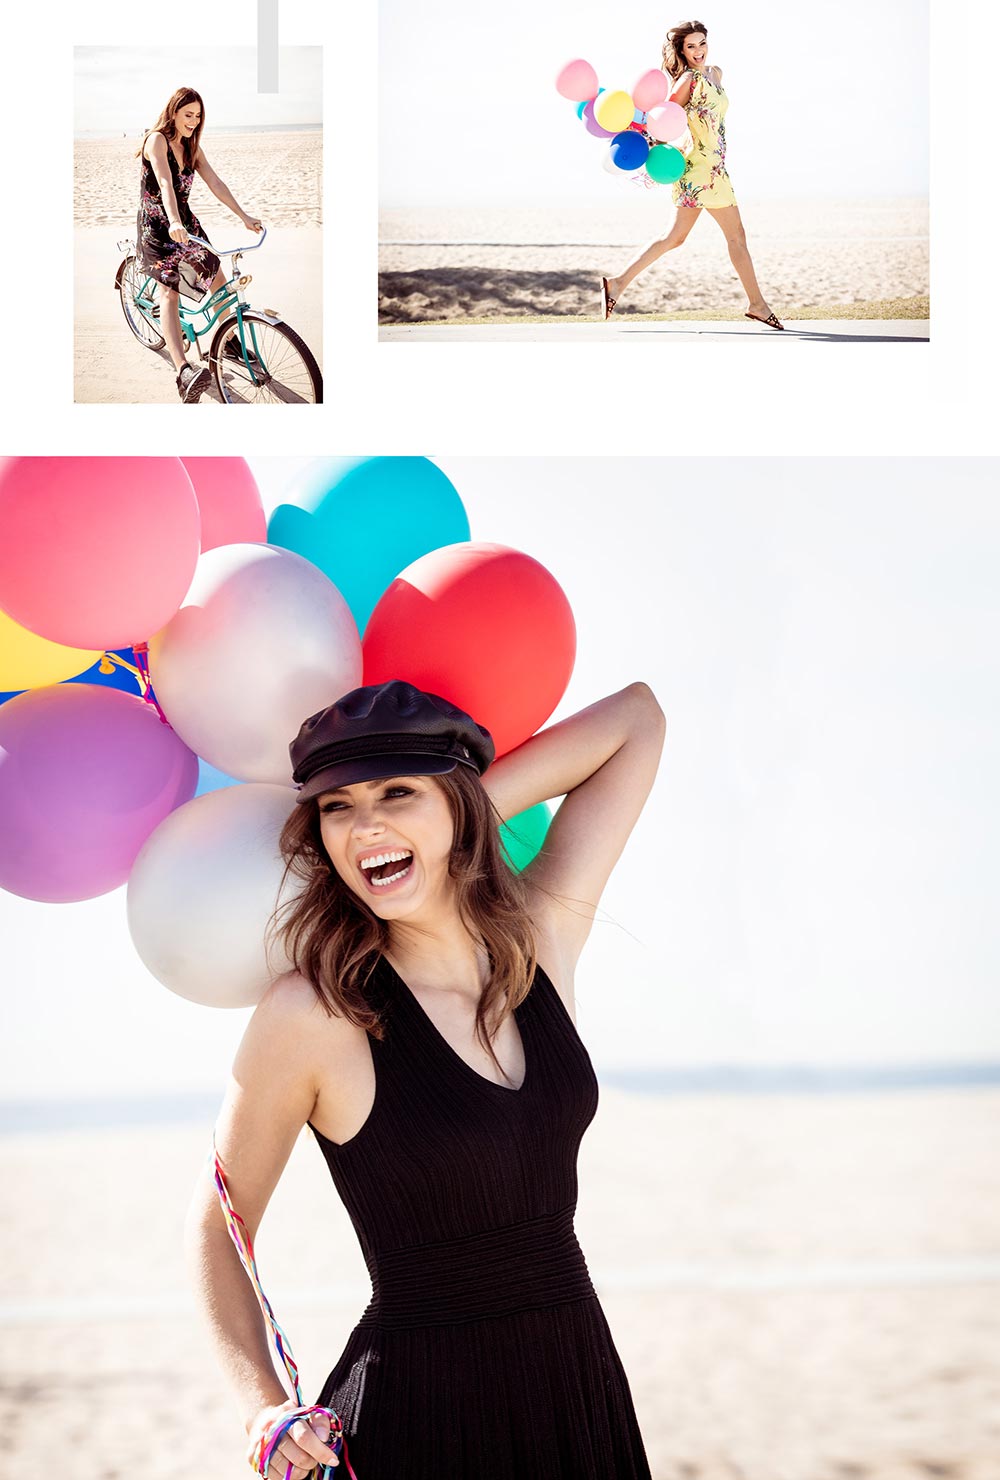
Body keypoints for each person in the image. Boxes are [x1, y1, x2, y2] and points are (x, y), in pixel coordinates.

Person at [185, 677, 666, 1478]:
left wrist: (457, 814)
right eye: (337, 807)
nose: (364, 823)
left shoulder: (538, 938)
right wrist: (262, 1406)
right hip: (417, 1416)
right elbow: (216, 1229)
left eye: (397, 792)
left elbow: (637, 720)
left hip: (575, 1382)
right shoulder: (314, 1014)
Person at [600, 20, 784, 329]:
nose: (698, 51)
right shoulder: (687, 80)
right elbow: (664, 120)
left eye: (702, 43)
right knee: (736, 237)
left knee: (674, 238)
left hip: (713, 167)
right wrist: (647, 142)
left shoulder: (715, 73)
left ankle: (617, 284)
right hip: (702, 170)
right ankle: (757, 304)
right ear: (681, 51)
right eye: (691, 46)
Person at [135, 87, 263, 402]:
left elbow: (216, 183)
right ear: (174, 112)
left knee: (217, 276)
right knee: (169, 291)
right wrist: (173, 222)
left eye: (198, 116)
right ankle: (183, 370)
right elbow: (165, 182)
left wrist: (244, 216)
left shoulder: (192, 147)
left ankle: (227, 340)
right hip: (158, 227)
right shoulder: (157, 140)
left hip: (185, 225)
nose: (193, 121)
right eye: (188, 114)